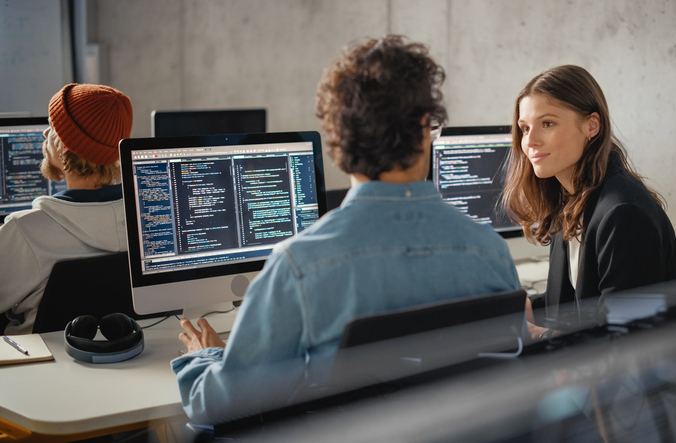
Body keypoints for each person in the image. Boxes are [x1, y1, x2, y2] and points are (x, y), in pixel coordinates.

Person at [172, 35, 524, 425]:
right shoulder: (491, 251)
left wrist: (205, 359)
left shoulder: (299, 266)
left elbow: (221, 407)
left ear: (339, 140)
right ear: (426, 128)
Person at [502, 65, 676, 332]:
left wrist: (538, 337)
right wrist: (518, 309)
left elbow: (625, 341)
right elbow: (575, 305)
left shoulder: (623, 213)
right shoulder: (570, 200)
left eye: (548, 124)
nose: (530, 141)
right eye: (524, 128)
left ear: (592, 126)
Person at [0, 84, 133, 335]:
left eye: (53, 128)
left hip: (37, 366)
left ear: (63, 146)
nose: (45, 134)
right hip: (123, 360)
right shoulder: (146, 223)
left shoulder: (25, 231)